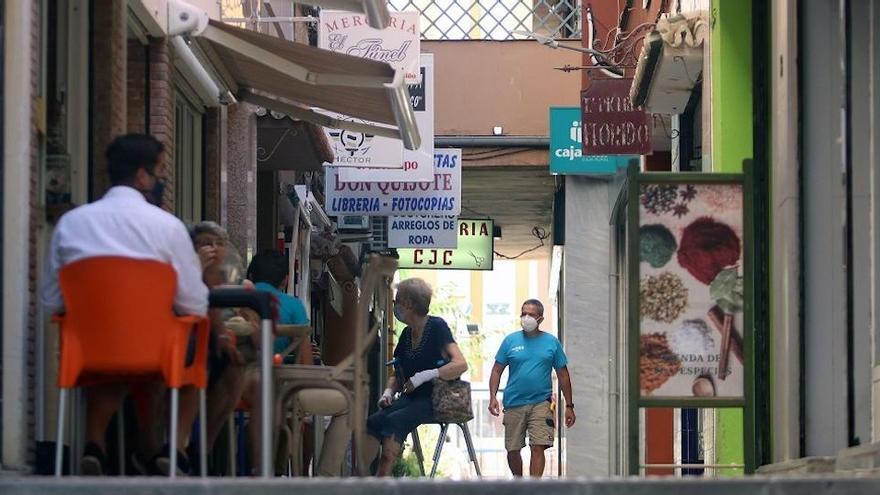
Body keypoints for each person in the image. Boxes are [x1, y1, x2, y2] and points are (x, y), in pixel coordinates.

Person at [40, 134, 209, 475]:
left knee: (111, 363)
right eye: (161, 171)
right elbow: (194, 302)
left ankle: (94, 444)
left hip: (89, 349)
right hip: (157, 351)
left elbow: (50, 299)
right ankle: (173, 449)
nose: (164, 179)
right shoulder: (168, 228)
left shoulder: (71, 224)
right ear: (143, 177)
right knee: (196, 347)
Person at [365, 278, 468, 476]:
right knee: (374, 421)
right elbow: (398, 371)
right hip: (412, 399)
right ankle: (360, 477)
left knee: (396, 419)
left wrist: (424, 376)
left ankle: (381, 481)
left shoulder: (437, 327)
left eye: (397, 301)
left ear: (409, 303)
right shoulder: (405, 334)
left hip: (440, 398)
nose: (394, 306)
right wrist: (387, 393)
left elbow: (460, 364)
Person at [488, 299, 575, 478]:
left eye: (531, 314)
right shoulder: (510, 341)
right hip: (514, 402)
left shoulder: (551, 342)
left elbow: (563, 374)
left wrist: (569, 405)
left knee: (538, 446)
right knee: (513, 449)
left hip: (541, 403)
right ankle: (519, 484)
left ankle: (534, 487)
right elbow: (497, 370)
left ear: (540, 319)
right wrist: (492, 397)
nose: (526, 317)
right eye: (523, 313)